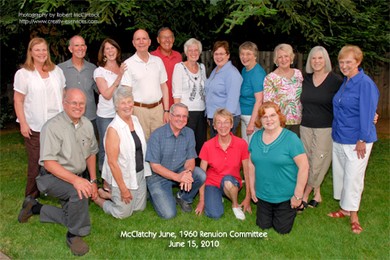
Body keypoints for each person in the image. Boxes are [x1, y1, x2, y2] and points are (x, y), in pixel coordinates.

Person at [18, 88, 98, 256]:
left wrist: (93, 180)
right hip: (51, 177)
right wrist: (77, 181)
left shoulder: (87, 125)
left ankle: (35, 208)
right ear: (64, 104)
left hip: (75, 175)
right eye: (74, 103)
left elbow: (91, 154)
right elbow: (49, 163)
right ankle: (74, 235)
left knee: (73, 213)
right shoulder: (52, 127)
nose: (78, 106)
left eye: (81, 103)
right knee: (80, 192)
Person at [327, 45, 379, 235]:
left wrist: (362, 139)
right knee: (341, 175)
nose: (344, 65)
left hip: (357, 140)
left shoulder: (364, 83)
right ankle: (344, 209)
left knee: (353, 178)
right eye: (341, 62)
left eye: (349, 62)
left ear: (358, 62)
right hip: (340, 137)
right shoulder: (346, 82)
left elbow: (367, 112)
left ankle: (354, 216)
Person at [14, 37, 65, 205]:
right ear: (31, 52)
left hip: (57, 125)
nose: (41, 53)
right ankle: (31, 197)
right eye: (37, 50)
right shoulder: (23, 74)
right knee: (36, 163)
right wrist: (23, 123)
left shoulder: (56, 71)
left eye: (44, 49)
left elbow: (63, 95)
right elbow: (18, 100)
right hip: (35, 126)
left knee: (59, 161)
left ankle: (59, 193)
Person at [248, 102, 309, 234]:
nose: (269, 120)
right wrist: (252, 188)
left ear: (279, 116)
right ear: (260, 120)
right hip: (263, 195)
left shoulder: (291, 139)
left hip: (285, 196)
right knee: (262, 226)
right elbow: (251, 164)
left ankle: (294, 208)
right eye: (264, 117)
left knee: (282, 230)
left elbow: (304, 167)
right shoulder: (256, 137)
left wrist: (298, 196)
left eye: (272, 115)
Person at [93, 86, 150, 219]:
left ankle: (110, 194)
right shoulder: (114, 129)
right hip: (123, 176)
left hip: (140, 173)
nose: (127, 106)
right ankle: (100, 199)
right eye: (123, 103)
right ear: (116, 106)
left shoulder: (135, 120)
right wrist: (123, 189)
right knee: (123, 213)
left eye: (129, 101)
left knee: (139, 208)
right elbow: (112, 163)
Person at [300, 46, 343, 208]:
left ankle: (304, 194)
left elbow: (349, 98)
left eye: (320, 58)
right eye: (313, 58)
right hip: (306, 126)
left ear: (326, 60)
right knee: (308, 160)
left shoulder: (336, 80)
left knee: (319, 161)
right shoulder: (305, 79)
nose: (316, 61)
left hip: (325, 128)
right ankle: (317, 194)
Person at [146, 103, 206, 219]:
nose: (181, 119)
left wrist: (187, 173)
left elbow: (190, 159)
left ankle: (183, 197)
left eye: (184, 116)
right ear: (170, 116)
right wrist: (178, 177)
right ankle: (155, 194)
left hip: (180, 171)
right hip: (158, 176)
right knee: (169, 214)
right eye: (178, 116)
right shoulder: (157, 135)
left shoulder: (189, 133)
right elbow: (155, 167)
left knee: (200, 174)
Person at [195, 109, 251, 220]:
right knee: (214, 214)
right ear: (214, 126)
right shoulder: (207, 145)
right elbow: (202, 174)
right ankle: (217, 195)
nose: (222, 126)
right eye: (218, 122)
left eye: (226, 122)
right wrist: (202, 201)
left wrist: (248, 197)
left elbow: (247, 171)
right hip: (213, 182)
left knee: (228, 181)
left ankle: (235, 205)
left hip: (231, 181)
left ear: (231, 124)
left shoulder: (241, 144)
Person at [121, 29, 169, 140]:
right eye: (138, 39)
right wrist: (129, 114)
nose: (141, 42)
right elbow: (126, 92)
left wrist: (166, 111)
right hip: (138, 111)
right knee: (142, 144)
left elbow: (164, 87)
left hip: (158, 110)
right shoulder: (128, 64)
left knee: (159, 142)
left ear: (149, 42)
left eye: (144, 38)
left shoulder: (158, 61)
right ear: (133, 43)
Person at [94, 38, 126, 175]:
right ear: (103, 53)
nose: (110, 51)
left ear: (117, 50)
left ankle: (120, 173)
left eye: (113, 48)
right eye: (107, 49)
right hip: (106, 115)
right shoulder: (100, 71)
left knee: (122, 145)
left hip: (122, 113)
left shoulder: (124, 66)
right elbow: (106, 94)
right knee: (106, 146)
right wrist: (118, 79)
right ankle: (104, 175)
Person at [172, 38, 207, 165]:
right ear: (186, 52)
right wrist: (178, 115)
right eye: (190, 50)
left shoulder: (202, 67)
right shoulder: (179, 67)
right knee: (186, 143)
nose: (193, 53)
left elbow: (204, 91)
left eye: (196, 50)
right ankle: (183, 171)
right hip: (186, 113)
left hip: (201, 112)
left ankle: (197, 172)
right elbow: (176, 93)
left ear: (200, 52)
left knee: (200, 143)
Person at [58, 35, 97, 133]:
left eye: (82, 45)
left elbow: (100, 91)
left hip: (89, 116)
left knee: (88, 147)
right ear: (70, 49)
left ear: (86, 47)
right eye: (76, 45)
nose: (80, 48)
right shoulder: (60, 69)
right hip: (68, 117)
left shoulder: (93, 68)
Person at [263, 43, 303, 137]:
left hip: (298, 122)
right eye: (280, 57)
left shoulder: (298, 74)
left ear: (291, 58)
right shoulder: (270, 78)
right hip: (280, 123)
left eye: (286, 56)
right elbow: (268, 104)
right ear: (276, 60)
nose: (284, 59)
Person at [205, 41, 242, 138]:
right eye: (216, 54)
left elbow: (232, 100)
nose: (218, 57)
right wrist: (210, 115)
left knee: (225, 149)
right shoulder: (216, 70)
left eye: (221, 54)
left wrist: (224, 122)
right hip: (215, 117)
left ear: (228, 55)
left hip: (226, 119)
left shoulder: (232, 73)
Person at [239, 41, 266, 143]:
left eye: (248, 54)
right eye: (242, 54)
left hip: (252, 117)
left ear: (255, 56)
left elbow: (259, 100)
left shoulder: (257, 73)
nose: (244, 57)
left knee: (252, 150)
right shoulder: (245, 70)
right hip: (244, 116)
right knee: (245, 148)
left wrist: (252, 123)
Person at [151, 27, 182, 108]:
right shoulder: (151, 57)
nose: (167, 40)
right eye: (164, 37)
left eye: (170, 37)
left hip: (176, 104)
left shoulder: (178, 56)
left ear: (173, 39)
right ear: (158, 40)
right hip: (158, 105)